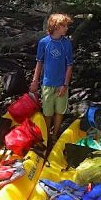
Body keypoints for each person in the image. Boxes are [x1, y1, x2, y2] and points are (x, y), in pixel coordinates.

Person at [29, 13, 73, 143]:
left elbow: (69, 66)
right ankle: (46, 134)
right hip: (47, 83)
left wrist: (65, 85)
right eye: (63, 26)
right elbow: (39, 62)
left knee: (60, 111)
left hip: (61, 84)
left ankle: (54, 135)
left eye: (66, 26)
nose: (66, 28)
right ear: (55, 26)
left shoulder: (67, 44)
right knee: (47, 112)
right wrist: (35, 81)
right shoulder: (44, 42)